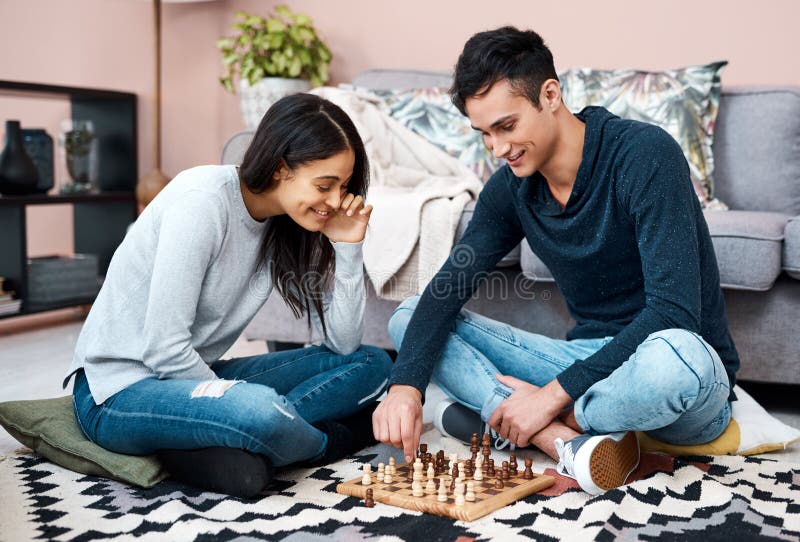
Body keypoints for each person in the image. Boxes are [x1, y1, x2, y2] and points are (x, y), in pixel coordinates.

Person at [373, 27, 739, 495]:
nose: (498, 149)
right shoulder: (510, 188)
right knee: (409, 318)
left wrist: (550, 397)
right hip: (585, 362)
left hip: (673, 367)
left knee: (678, 360)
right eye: (484, 134)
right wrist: (405, 386)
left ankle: (531, 414)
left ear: (550, 95)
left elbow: (674, 312)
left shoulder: (645, 155)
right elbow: (446, 290)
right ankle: (558, 439)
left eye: (506, 126)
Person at [65, 93, 393, 497]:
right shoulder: (201, 203)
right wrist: (231, 403)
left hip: (192, 376)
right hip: (117, 393)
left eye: (342, 186)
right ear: (279, 168)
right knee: (255, 409)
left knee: (373, 361)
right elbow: (164, 349)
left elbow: (343, 345)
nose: (335, 201)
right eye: (325, 185)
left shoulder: (283, 222)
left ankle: (233, 440)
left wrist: (347, 247)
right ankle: (323, 441)